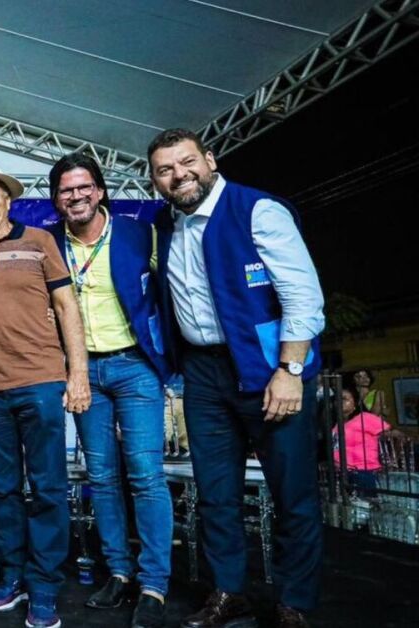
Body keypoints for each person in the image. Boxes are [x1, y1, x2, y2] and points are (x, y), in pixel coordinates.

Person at [149, 128, 325, 628]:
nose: (179, 175)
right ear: (155, 181)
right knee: (215, 493)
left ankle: (294, 602)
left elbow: (303, 297)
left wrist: (290, 371)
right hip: (203, 372)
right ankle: (229, 592)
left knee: (291, 494)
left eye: (187, 162)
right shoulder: (166, 224)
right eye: (165, 169)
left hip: (269, 368)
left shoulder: (259, 210)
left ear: (210, 159)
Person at [0, 160, 90, 628]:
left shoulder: (39, 241)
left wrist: (77, 373)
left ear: (8, 200)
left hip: (40, 380)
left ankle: (44, 584)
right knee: (3, 489)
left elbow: (66, 306)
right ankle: (12, 574)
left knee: (48, 488)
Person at [48, 152, 173, 628]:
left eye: (84, 187)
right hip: (83, 374)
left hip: (135, 366)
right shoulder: (50, 243)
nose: (76, 196)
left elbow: (173, 288)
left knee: (145, 475)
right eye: (66, 190)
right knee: (100, 477)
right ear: (56, 199)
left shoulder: (139, 233)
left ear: (100, 191)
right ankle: (119, 572)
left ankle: (154, 584)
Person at [333, 385, 391, 492]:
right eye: (337, 399)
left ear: (355, 403)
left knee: (365, 501)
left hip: (363, 472)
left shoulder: (364, 417)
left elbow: (392, 434)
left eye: (344, 399)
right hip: (341, 472)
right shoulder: (336, 424)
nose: (339, 402)